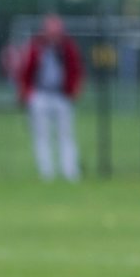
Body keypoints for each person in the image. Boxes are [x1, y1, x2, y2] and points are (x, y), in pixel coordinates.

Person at [18, 14, 83, 181]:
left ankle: (70, 171)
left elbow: (76, 69)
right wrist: (26, 93)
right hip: (40, 94)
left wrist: (74, 89)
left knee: (66, 134)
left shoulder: (67, 47)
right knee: (42, 135)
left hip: (62, 95)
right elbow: (25, 70)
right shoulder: (36, 46)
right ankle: (46, 172)